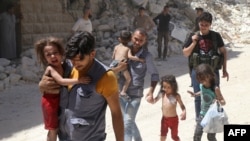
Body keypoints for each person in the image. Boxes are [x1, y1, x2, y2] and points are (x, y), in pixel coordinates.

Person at [39, 31, 124, 141]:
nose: (75, 64)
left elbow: (116, 113)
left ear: (92, 54)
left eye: (79, 60)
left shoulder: (106, 77)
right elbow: (50, 81)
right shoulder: (67, 67)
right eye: (72, 59)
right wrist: (42, 85)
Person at [34, 37, 91, 141]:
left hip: (59, 101)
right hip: (50, 103)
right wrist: (79, 80)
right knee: (53, 129)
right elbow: (60, 81)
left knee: (59, 127)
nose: (52, 56)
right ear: (44, 57)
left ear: (61, 52)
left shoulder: (65, 65)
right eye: (48, 54)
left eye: (55, 52)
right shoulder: (50, 68)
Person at [182, 12, 229, 121]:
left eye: (206, 25)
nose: (203, 27)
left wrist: (225, 70)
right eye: (201, 24)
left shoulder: (215, 36)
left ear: (210, 25)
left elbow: (223, 52)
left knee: (215, 94)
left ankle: (214, 117)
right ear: (198, 23)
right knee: (198, 96)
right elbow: (185, 53)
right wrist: (194, 42)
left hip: (212, 71)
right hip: (197, 71)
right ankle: (200, 119)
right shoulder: (192, 35)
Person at [116, 28, 160, 141]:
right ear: (131, 38)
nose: (137, 42)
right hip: (121, 93)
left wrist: (151, 91)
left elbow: (154, 75)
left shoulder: (147, 56)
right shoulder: (124, 50)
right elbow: (112, 67)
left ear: (144, 41)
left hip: (135, 95)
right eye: (135, 39)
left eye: (140, 40)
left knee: (127, 123)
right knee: (128, 120)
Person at [187, 64, 226, 141]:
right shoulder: (202, 85)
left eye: (203, 78)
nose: (201, 81)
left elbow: (223, 102)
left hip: (213, 117)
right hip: (203, 114)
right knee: (197, 135)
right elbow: (203, 91)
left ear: (210, 76)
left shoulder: (216, 89)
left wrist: (219, 100)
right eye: (200, 79)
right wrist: (195, 94)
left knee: (210, 137)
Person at [110, 30, 145, 98]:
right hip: (123, 64)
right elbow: (130, 57)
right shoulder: (128, 48)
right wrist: (140, 59)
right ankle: (123, 92)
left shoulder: (116, 47)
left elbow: (113, 57)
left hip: (114, 64)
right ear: (130, 39)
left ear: (119, 39)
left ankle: (117, 92)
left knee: (116, 79)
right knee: (128, 79)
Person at [152, 75, 186, 141]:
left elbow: (182, 105)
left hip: (174, 120)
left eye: (168, 87)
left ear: (173, 86)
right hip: (164, 119)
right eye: (164, 87)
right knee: (162, 136)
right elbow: (154, 101)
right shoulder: (162, 94)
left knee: (174, 137)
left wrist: (184, 111)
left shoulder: (176, 96)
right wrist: (150, 99)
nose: (166, 89)